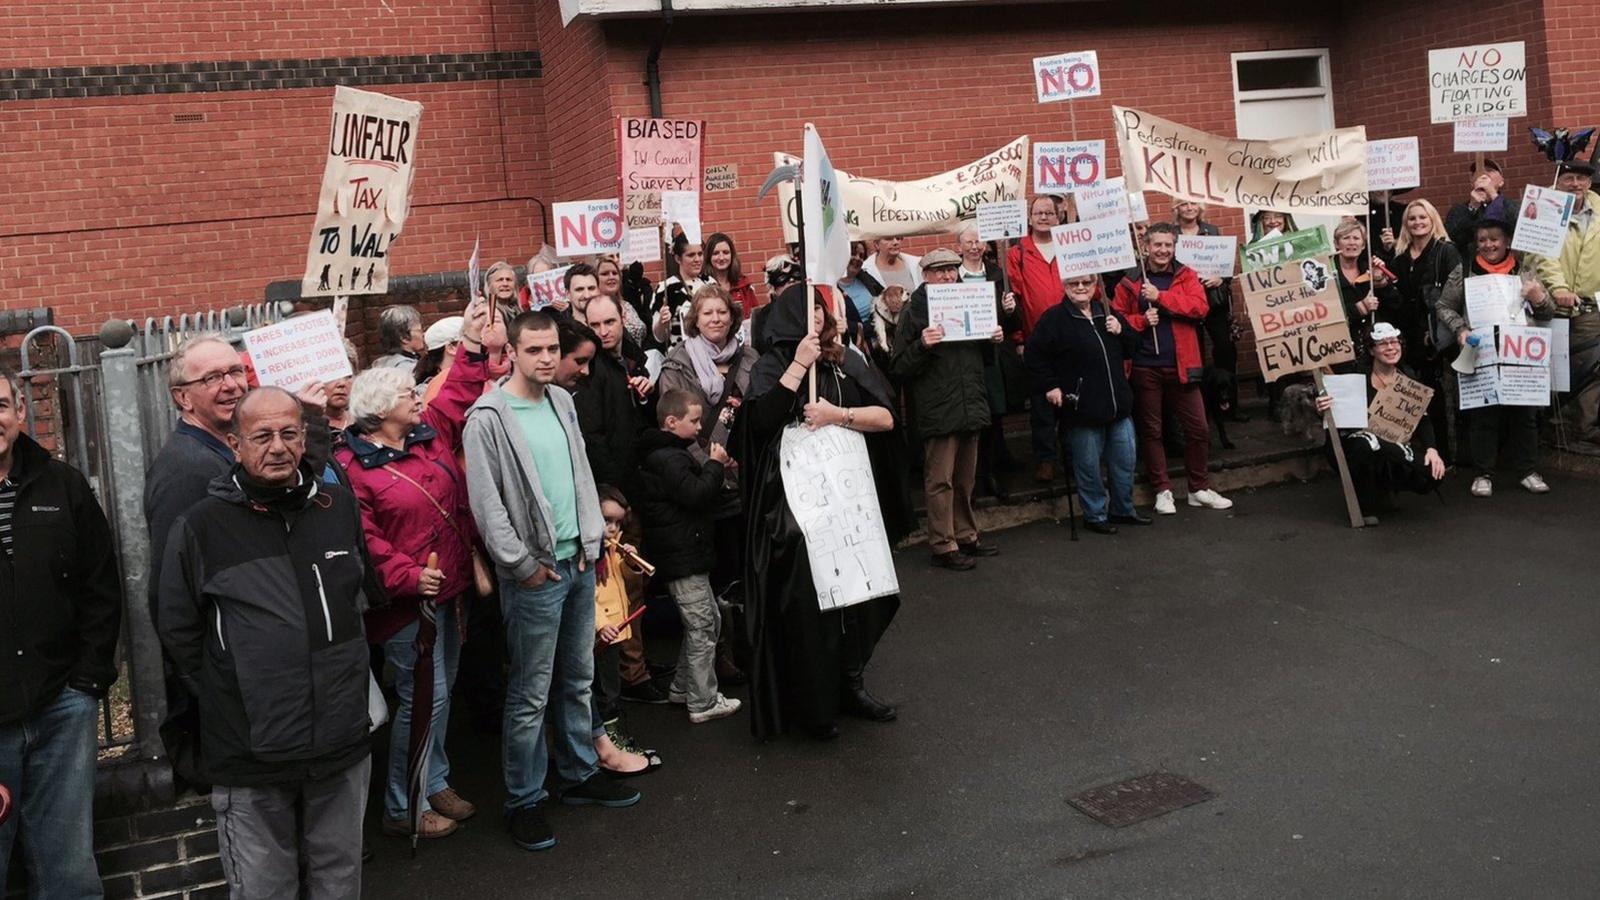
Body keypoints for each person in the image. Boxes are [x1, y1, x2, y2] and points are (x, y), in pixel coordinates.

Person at [158, 387, 381, 899]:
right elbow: (177, 626)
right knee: (263, 889)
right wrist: (233, 685)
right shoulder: (202, 526)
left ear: (305, 439)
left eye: (288, 433)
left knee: (339, 880)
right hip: (251, 747)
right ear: (236, 444)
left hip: (340, 736)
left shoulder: (337, 506)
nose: (277, 446)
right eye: (262, 436)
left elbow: (358, 597)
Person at [462, 311, 638, 852]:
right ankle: (525, 799)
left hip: (578, 564)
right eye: (533, 349)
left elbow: (581, 477)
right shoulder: (487, 418)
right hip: (535, 575)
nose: (545, 358)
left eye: (550, 349)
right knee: (530, 694)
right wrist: (521, 565)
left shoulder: (563, 401)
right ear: (511, 352)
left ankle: (581, 775)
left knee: (577, 679)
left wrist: (589, 542)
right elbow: (486, 506)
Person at [336, 296, 492, 840]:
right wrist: (407, 577)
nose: (418, 396)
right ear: (380, 411)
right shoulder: (351, 467)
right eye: (408, 394)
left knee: (440, 690)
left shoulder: (425, 435)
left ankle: (435, 777)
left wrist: (472, 344)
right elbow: (366, 541)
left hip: (447, 591)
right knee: (425, 697)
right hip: (407, 606)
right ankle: (403, 803)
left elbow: (453, 396)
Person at [737, 286, 912, 740]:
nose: (816, 315)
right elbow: (759, 424)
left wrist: (838, 414)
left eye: (820, 307)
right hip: (794, 506)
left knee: (859, 590)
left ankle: (851, 683)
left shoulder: (844, 360)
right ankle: (812, 700)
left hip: (848, 498)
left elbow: (886, 417)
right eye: (806, 308)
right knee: (809, 598)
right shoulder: (771, 364)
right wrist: (798, 365)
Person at [0, 369, 121, 897]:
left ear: (20, 412)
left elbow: (101, 584)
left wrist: (89, 679)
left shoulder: (62, 485)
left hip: (61, 708)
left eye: (0, 405)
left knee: (67, 868)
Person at [892, 248, 1005, 570]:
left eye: (951, 270)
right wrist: (923, 345)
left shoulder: (970, 300)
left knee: (965, 478)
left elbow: (982, 359)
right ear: (925, 275)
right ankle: (943, 544)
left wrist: (992, 338)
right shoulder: (914, 310)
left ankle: (967, 535)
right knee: (940, 480)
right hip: (938, 407)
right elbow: (899, 366)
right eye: (939, 271)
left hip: (970, 402)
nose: (946, 276)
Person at [635, 389, 743, 723]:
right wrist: (714, 464)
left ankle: (683, 687)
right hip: (683, 552)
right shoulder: (669, 458)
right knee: (702, 625)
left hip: (683, 550)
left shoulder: (664, 455)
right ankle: (703, 701)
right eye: (694, 420)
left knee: (706, 620)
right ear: (671, 421)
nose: (699, 427)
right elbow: (695, 494)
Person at [1112, 223, 1234, 514]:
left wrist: (1161, 298)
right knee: (1152, 431)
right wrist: (1142, 320)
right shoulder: (1129, 281)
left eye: (1168, 245)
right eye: (1157, 245)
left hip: (1183, 365)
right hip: (1144, 366)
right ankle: (1162, 490)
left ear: (1174, 246)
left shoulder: (1186, 274)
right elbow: (1117, 319)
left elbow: (1199, 308)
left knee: (1198, 429)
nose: (1163, 250)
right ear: (1145, 247)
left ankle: (1198, 488)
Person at [1437, 216, 1555, 496]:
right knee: (1483, 415)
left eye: (1494, 239)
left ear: (1507, 242)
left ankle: (1527, 471)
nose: (1488, 244)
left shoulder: (1524, 270)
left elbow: (1547, 312)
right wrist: (1460, 330)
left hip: (1521, 353)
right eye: (1482, 240)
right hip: (1481, 351)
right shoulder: (1464, 270)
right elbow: (1443, 306)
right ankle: (1483, 473)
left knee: (1524, 415)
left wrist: (1538, 297)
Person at [1026, 276, 1148, 534]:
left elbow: (1133, 348)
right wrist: (1050, 385)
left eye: (1087, 283)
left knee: (1125, 462)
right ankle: (1094, 515)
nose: (1081, 288)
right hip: (1082, 408)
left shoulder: (1107, 312)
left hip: (1118, 405)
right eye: (1074, 284)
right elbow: (1034, 356)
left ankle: (1123, 509)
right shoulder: (1054, 319)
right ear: (1064, 286)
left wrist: (1122, 331)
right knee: (1088, 466)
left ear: (1096, 286)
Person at [1313, 323, 1446, 523]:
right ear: (1371, 350)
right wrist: (1322, 406)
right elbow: (1334, 409)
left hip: (1389, 446)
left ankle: (1384, 487)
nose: (1391, 348)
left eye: (1394, 342)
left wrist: (1432, 450)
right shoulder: (1356, 376)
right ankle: (1366, 505)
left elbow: (1422, 418)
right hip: (1352, 446)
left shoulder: (1407, 376)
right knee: (1367, 443)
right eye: (1383, 344)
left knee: (1432, 474)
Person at [589, 486, 660, 776]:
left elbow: (627, 580)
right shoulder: (591, 555)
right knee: (603, 691)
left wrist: (630, 560)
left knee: (611, 687)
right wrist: (599, 624)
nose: (613, 528)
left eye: (618, 523)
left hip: (618, 628)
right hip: (602, 632)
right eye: (607, 520)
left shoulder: (611, 548)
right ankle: (609, 743)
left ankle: (615, 740)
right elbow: (586, 595)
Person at [1532, 153, 1600, 450]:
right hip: (1552, 304)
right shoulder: (1545, 209)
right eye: (1569, 178)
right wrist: (1558, 288)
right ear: (1558, 181)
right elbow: (1541, 254)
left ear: (1589, 181)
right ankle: (1554, 427)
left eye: (1581, 178)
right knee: (1554, 368)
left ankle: (1584, 427)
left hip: (1590, 304)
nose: (1576, 184)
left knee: (1590, 366)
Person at [1388, 198, 1462, 461]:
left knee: (1441, 397)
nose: (1417, 222)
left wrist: (1441, 330)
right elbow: (1398, 299)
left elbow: (1455, 297)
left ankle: (1447, 453)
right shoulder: (1400, 257)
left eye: (1423, 217)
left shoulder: (1446, 251)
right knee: (1414, 394)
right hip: (1407, 336)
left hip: (1437, 336)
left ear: (1433, 220)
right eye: (1412, 218)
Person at [1007, 196, 1069, 482]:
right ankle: (1046, 460)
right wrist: (1019, 338)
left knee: (1072, 400)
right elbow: (1016, 298)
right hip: (1036, 340)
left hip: (1071, 336)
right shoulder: (1018, 252)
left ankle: (1073, 457)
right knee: (1042, 406)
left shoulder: (1070, 244)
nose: (1043, 217)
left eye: (1049, 212)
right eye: (1037, 212)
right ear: (1029, 218)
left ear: (1058, 217)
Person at [573, 295, 652, 492]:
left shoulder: (634, 357)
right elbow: (593, 437)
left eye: (609, 322)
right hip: (616, 483)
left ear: (622, 318)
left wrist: (646, 395)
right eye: (595, 325)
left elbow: (644, 421)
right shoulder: (588, 369)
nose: (603, 332)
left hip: (641, 472)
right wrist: (613, 489)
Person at [1175, 201, 1245, 421]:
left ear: (1200, 207)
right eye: (1183, 205)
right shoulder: (1172, 234)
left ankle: (1231, 408)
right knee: (1194, 355)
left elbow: (1224, 266)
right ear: (1176, 208)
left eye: (1192, 204)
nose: (1189, 208)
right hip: (1188, 303)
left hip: (1214, 303)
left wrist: (1220, 277)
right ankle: (1202, 409)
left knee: (1225, 350)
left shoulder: (1212, 231)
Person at [1332, 220, 1404, 367]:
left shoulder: (1369, 269)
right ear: (1336, 243)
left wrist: (1381, 282)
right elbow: (1324, 314)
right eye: (1346, 238)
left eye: (1356, 238)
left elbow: (1397, 305)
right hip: (1340, 350)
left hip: (1373, 352)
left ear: (1363, 245)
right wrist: (1359, 308)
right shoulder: (1326, 273)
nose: (1351, 243)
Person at [651, 235, 712, 348]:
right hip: (680, 356)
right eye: (691, 255)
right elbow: (658, 337)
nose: (697, 259)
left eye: (700, 254)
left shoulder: (710, 283)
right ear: (678, 258)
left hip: (710, 353)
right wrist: (662, 322)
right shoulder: (665, 288)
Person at [1444, 160, 1511, 261]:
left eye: (1490, 170)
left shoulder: (1512, 206)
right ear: (1472, 181)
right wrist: (1472, 208)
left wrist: (1494, 196)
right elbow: (1452, 239)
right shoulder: (1459, 210)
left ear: (1501, 181)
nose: (1483, 174)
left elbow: (1519, 229)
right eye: (1477, 171)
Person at [595, 256, 649, 347]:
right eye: (605, 274)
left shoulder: (627, 305)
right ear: (595, 279)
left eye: (615, 273)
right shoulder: (594, 309)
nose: (611, 277)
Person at [703, 232, 759, 317]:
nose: (721, 258)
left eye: (726, 252)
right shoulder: (702, 286)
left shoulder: (744, 285)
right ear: (708, 257)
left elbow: (756, 317)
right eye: (715, 253)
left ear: (732, 255)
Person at [372, 304, 426, 371]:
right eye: (420, 330)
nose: (423, 334)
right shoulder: (409, 369)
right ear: (404, 337)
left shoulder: (379, 364)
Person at [838, 241, 877, 327]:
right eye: (853, 253)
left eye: (861, 256)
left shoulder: (865, 278)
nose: (858, 258)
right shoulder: (831, 286)